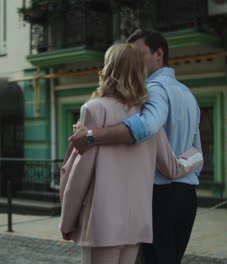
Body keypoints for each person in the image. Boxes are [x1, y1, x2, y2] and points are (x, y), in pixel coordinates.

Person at [60, 43, 203, 264]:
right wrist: (197, 156)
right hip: (137, 225)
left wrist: (67, 222)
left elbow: (79, 177)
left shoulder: (95, 109)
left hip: (102, 225)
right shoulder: (147, 115)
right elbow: (172, 168)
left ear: (109, 69)